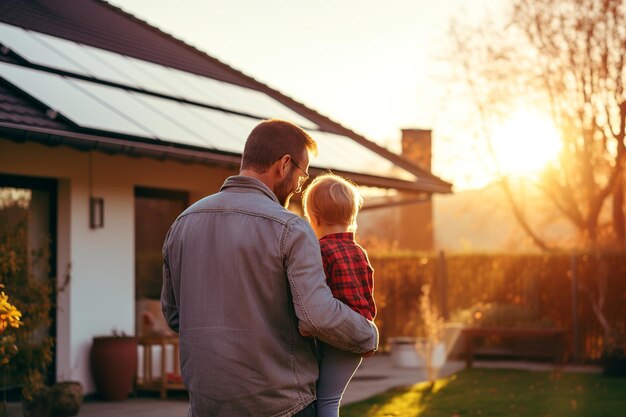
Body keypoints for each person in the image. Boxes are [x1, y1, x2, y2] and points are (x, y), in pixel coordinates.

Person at [161, 119, 378, 417]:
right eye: (302, 175)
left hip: (206, 407)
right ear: (284, 165)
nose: (300, 185)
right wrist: (367, 334)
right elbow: (317, 317)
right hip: (282, 407)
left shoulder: (182, 224)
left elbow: (175, 316)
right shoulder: (290, 228)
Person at [301, 173, 376, 417]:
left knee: (326, 401)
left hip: (336, 336)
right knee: (332, 398)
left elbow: (314, 294)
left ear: (313, 217)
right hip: (358, 332)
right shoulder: (359, 251)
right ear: (351, 216)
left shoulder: (320, 250)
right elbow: (367, 294)